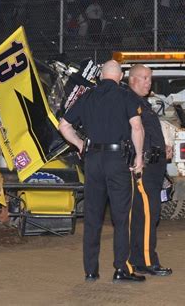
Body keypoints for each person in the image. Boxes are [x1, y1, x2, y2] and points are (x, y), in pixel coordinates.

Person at [58, 60, 146, 283]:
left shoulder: (87, 96)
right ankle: (120, 269)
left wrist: (79, 145)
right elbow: (136, 127)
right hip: (117, 161)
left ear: (100, 76)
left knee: (92, 217)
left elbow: (64, 126)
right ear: (121, 76)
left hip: (93, 160)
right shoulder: (126, 96)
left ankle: (90, 270)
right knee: (120, 216)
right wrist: (138, 156)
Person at [125, 64, 173, 277]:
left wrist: (163, 149)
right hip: (143, 168)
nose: (148, 82)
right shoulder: (130, 102)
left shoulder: (143, 103)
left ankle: (138, 258)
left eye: (150, 78)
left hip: (153, 166)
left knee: (145, 216)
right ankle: (146, 261)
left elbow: (149, 133)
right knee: (147, 215)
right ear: (132, 79)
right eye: (144, 78)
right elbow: (132, 133)